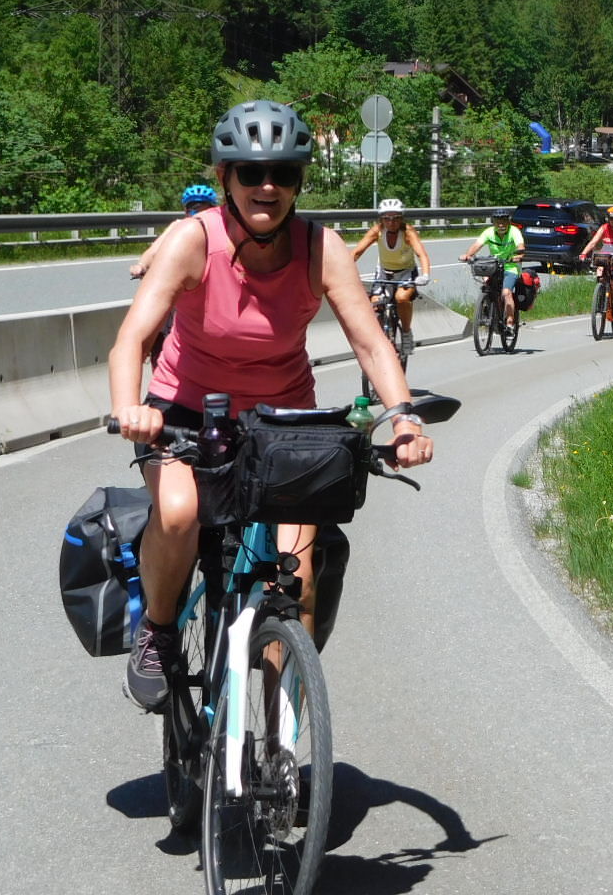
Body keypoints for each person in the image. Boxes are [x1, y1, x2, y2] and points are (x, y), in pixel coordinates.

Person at [108, 100, 434, 713]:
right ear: (225, 177)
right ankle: (158, 629)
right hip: (185, 411)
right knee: (178, 515)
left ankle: (279, 728)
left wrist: (405, 418)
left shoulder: (320, 248)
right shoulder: (193, 241)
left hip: (283, 423)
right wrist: (131, 408)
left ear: (298, 182)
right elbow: (131, 339)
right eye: (251, 173)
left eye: (283, 173)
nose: (267, 187)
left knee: (298, 575)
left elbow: (371, 343)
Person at [352, 197, 433, 349]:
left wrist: (425, 275)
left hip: (405, 272)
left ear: (401, 218)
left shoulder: (408, 232)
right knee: (375, 304)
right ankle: (380, 338)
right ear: (381, 219)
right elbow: (356, 252)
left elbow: (421, 254)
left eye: (396, 218)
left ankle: (406, 333)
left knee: (401, 298)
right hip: (384, 272)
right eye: (387, 218)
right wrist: (343, 271)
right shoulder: (377, 231)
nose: (391, 222)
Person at [130, 184, 218, 278]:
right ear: (186, 211)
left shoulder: (220, 226)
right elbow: (156, 248)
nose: (198, 213)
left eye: (201, 207)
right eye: (192, 207)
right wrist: (141, 265)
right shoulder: (178, 226)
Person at [461, 208, 527, 327]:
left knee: (506, 293)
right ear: (493, 222)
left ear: (508, 221)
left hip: (510, 266)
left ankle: (510, 322)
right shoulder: (489, 232)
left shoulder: (514, 231)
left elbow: (520, 246)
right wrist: (467, 255)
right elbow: (477, 245)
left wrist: (518, 256)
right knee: (486, 285)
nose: (501, 225)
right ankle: (487, 310)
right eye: (498, 222)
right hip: (494, 265)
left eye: (504, 221)